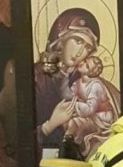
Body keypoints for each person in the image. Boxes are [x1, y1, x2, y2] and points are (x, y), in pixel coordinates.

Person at [34, 9, 117, 153]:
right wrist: (51, 124)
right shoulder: (37, 78)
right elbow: (21, 138)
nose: (80, 53)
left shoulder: (87, 80)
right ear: (61, 40)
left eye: (87, 48)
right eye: (78, 41)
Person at [65, 55, 120, 156]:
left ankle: (68, 146)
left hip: (101, 120)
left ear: (90, 72)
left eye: (86, 66)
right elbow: (69, 95)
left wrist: (74, 105)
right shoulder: (78, 82)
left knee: (73, 122)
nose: (82, 63)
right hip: (88, 115)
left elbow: (90, 109)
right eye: (85, 61)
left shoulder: (95, 86)